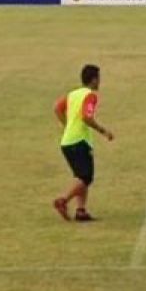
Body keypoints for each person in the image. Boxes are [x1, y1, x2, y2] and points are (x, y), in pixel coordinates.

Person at [52, 64, 114, 222]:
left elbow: (57, 108)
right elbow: (87, 117)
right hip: (79, 141)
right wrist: (103, 131)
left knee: (80, 177)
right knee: (86, 177)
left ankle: (81, 211)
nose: (100, 82)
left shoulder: (73, 94)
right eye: (99, 79)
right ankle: (63, 201)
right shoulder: (90, 96)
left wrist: (67, 126)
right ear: (93, 80)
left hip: (67, 142)